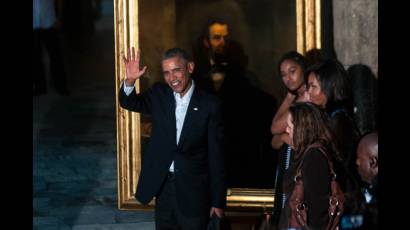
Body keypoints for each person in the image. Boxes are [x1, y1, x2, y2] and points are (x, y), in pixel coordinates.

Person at [119, 47, 226, 229]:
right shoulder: (160, 94)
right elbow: (129, 102)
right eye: (166, 73)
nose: (172, 78)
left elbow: (217, 157)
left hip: (195, 193)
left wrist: (217, 201)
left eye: (176, 70)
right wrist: (130, 80)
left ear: (190, 67)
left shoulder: (210, 105)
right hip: (164, 189)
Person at [278, 102, 344, 229]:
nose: (286, 130)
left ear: (302, 128)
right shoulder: (308, 154)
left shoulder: (314, 157)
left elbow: (318, 212)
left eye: (290, 126)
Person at [269, 51, 308, 225]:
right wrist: (284, 137)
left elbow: (275, 127)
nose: (288, 78)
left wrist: (281, 136)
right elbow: (274, 140)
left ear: (304, 70)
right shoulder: (295, 98)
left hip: (301, 170)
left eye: (292, 71)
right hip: (286, 166)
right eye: (283, 75)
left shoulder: (308, 99)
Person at [33, 0, 69, 96]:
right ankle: (39, 86)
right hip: (34, 23)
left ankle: (61, 85)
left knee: (56, 56)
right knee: (36, 57)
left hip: (50, 22)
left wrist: (59, 18)